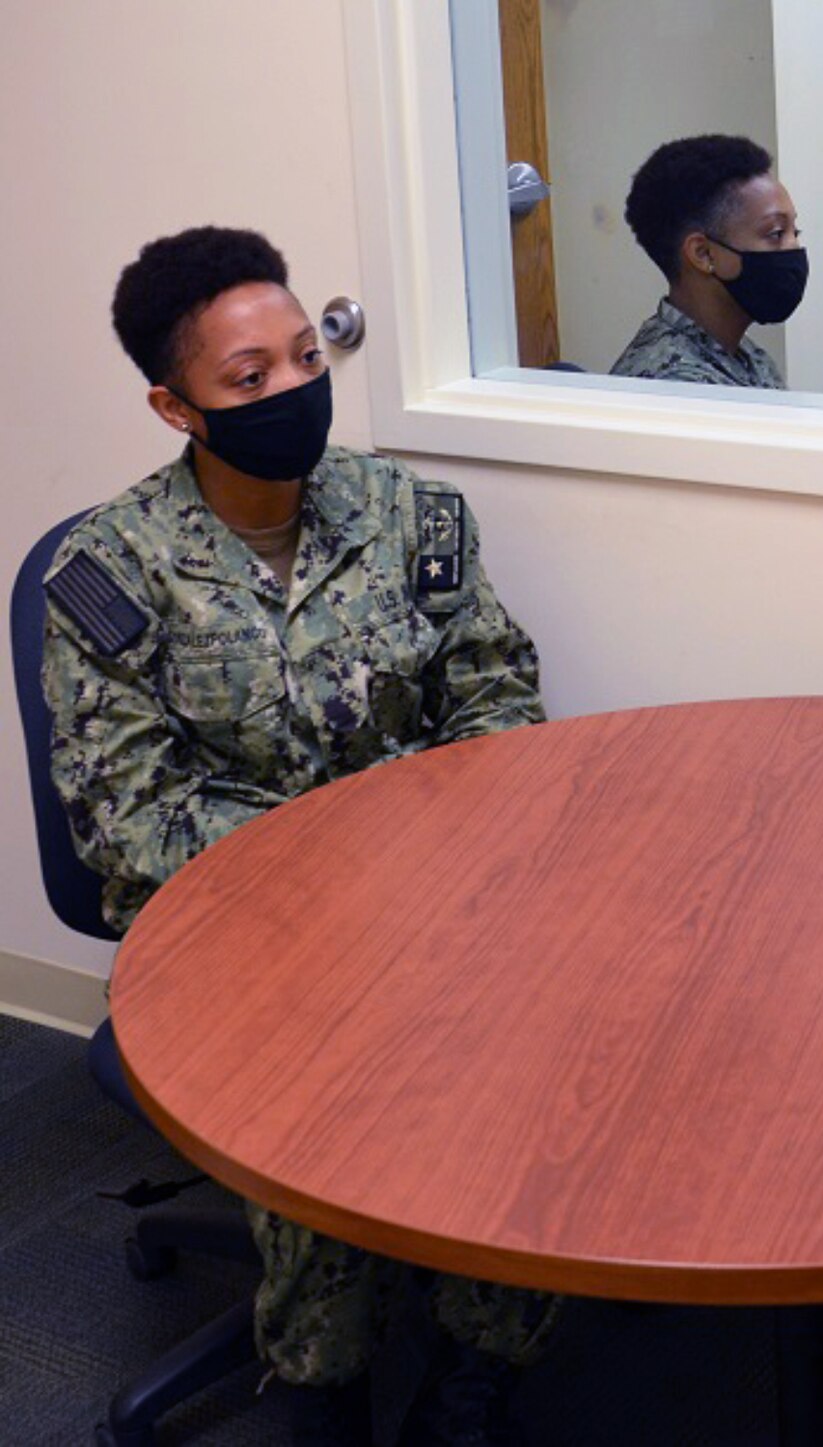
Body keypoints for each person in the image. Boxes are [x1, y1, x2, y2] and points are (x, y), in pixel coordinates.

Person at [43, 226, 556, 1444]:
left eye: (302, 355)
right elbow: (129, 815)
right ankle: (317, 1363)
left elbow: (497, 703)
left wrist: (437, 875)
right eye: (248, 378)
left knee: (526, 1028)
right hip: (232, 926)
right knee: (315, 1061)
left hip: (441, 901)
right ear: (175, 407)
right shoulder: (108, 571)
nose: (292, 389)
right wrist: (341, 888)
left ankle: (487, 1351)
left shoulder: (413, 515)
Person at [610, 133, 804, 388]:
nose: (794, 247)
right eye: (776, 234)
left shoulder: (747, 357)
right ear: (703, 254)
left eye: (795, 232)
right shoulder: (674, 386)